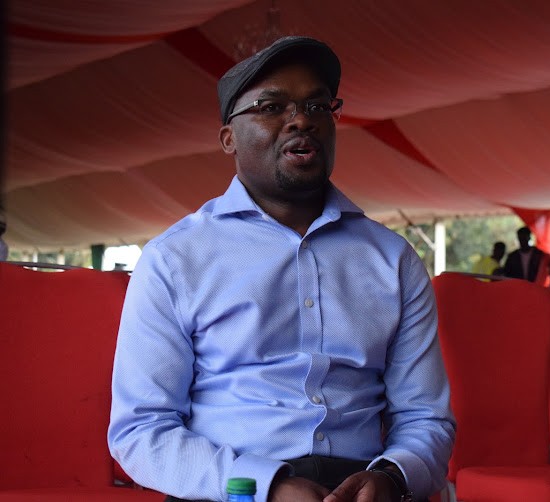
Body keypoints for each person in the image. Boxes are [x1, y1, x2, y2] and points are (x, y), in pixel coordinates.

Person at [108, 36, 455, 502]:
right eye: (272, 106)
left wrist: (393, 477)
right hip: (229, 489)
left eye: (317, 105)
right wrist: (265, 486)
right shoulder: (175, 258)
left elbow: (425, 418)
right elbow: (141, 430)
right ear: (229, 138)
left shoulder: (392, 259)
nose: (301, 120)